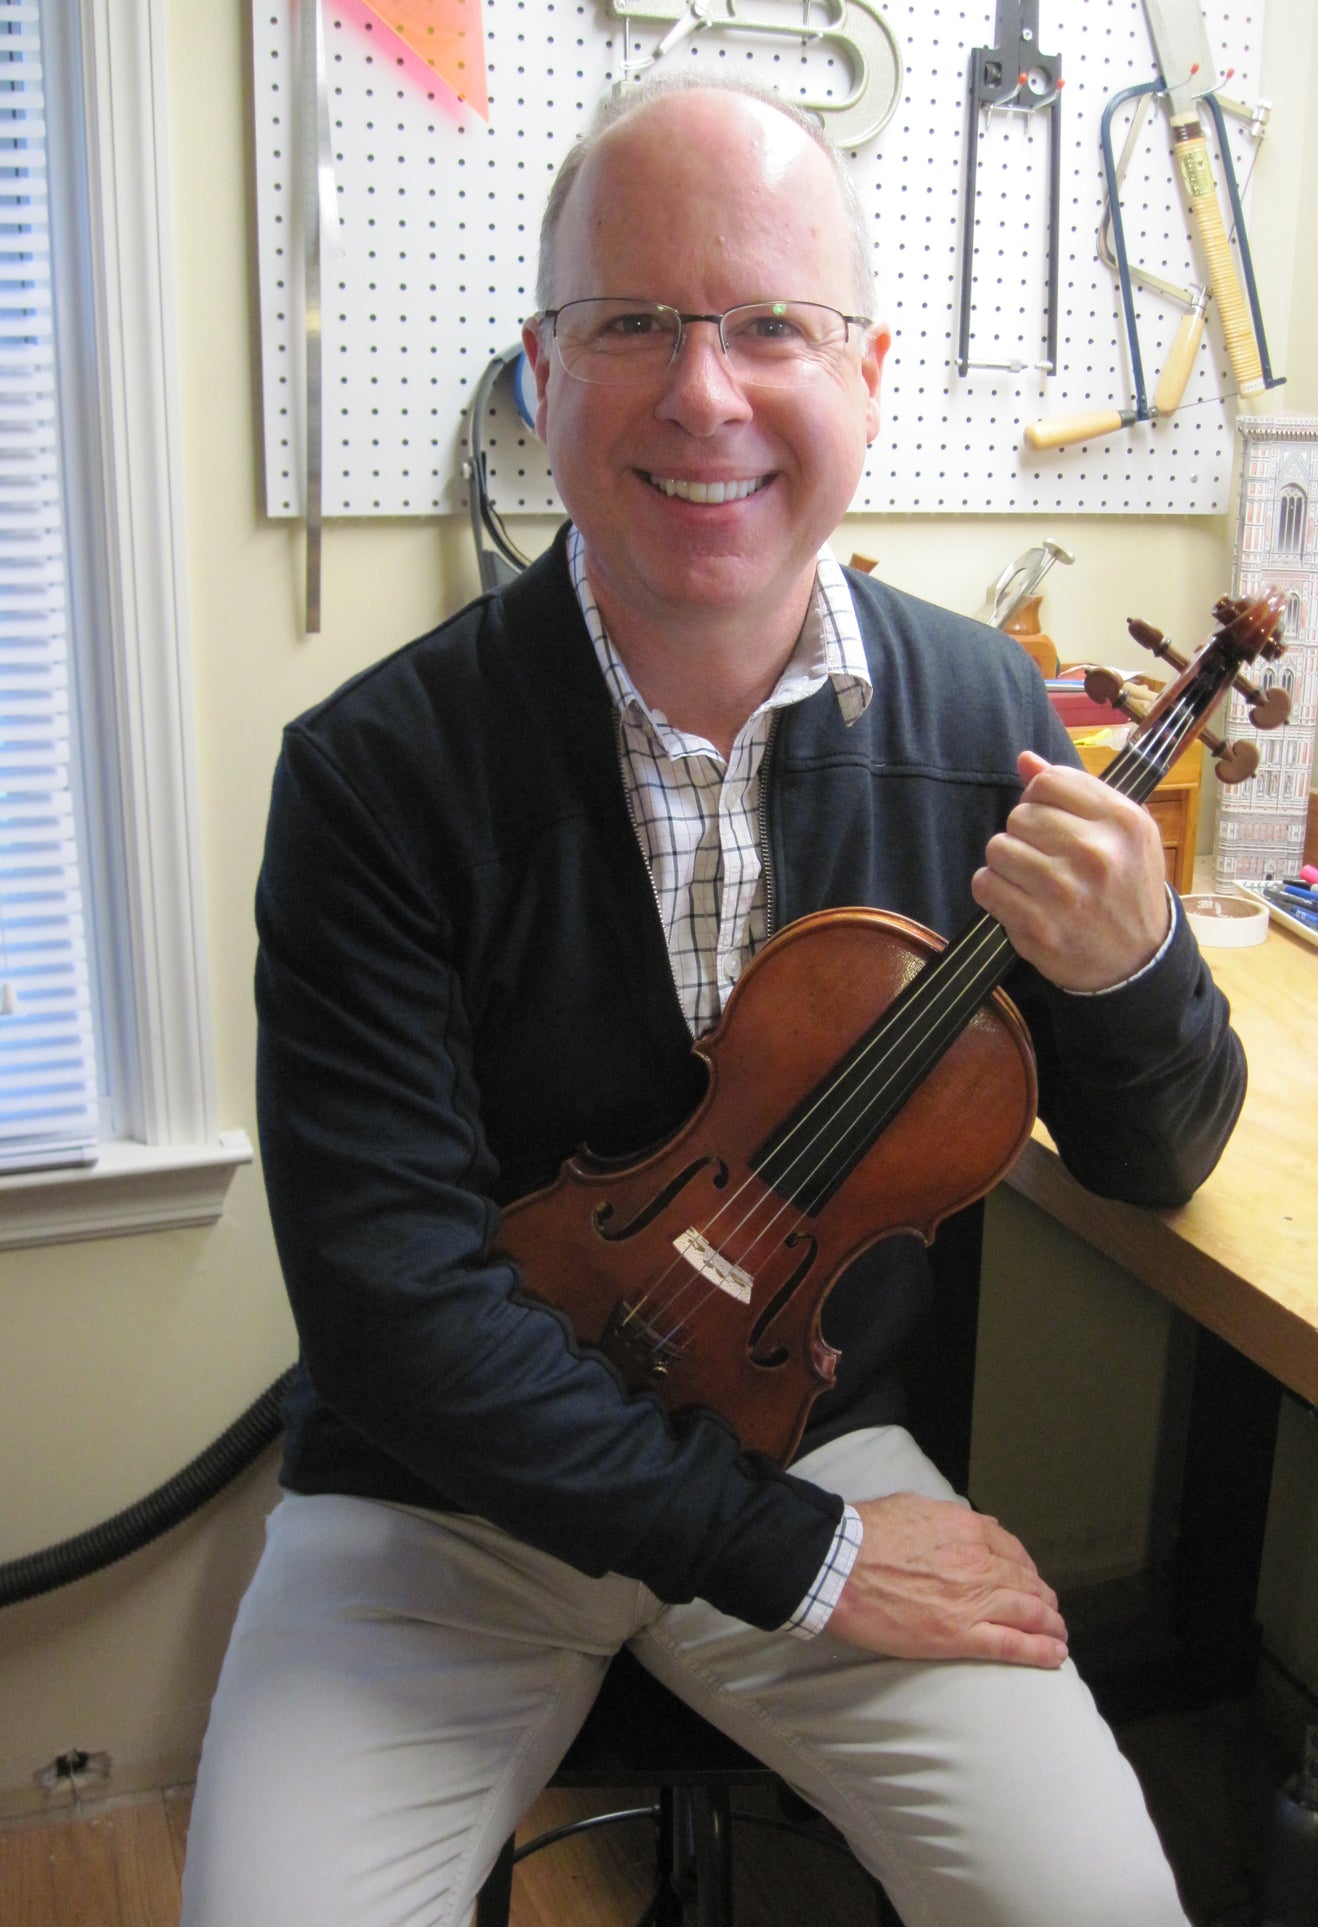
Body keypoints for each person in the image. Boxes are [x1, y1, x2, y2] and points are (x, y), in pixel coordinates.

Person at [181, 75, 1245, 1927]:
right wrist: (808, 1565)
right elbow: (389, 1307)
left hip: (807, 1425)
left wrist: (1136, 967)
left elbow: (1160, 1159)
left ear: (869, 369)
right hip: (452, 1489)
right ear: (541, 369)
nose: (703, 393)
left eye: (770, 325)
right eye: (634, 324)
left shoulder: (990, 727)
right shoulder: (376, 773)